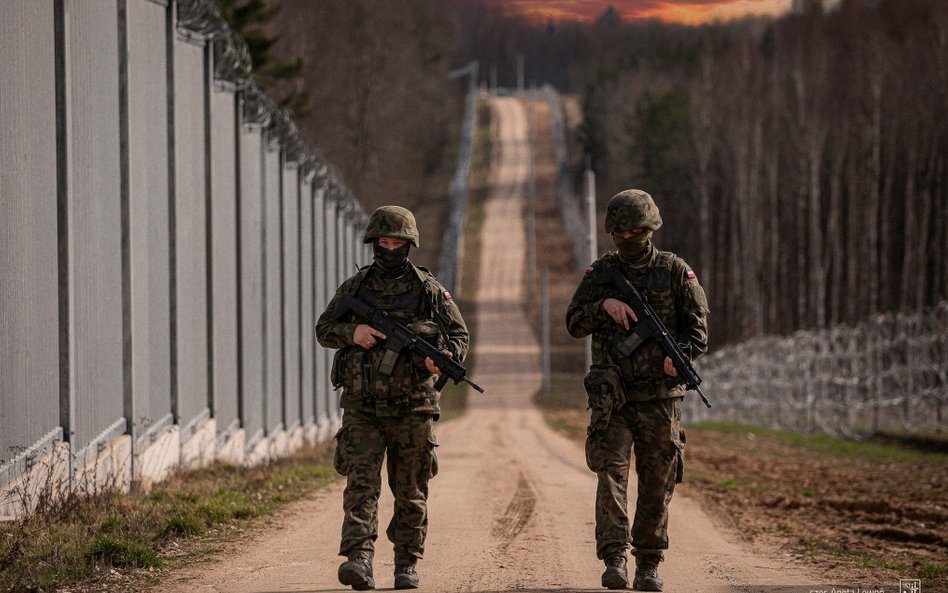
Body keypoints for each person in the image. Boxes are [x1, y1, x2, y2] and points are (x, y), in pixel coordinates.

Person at [316, 205, 470, 591]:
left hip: (414, 406)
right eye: (383, 241)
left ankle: (406, 562)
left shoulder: (428, 289)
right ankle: (358, 559)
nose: (389, 248)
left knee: (411, 487)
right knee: (361, 484)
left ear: (409, 244)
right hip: (363, 406)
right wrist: (354, 334)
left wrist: (445, 357)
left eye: (397, 242)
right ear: (373, 242)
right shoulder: (356, 287)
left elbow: (459, 336)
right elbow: (324, 328)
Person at [566, 189, 709, 591]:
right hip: (614, 398)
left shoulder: (676, 271)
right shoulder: (601, 274)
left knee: (657, 481)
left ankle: (648, 563)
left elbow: (698, 331)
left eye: (638, 230)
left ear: (651, 228)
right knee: (611, 475)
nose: (630, 237)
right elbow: (574, 322)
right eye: (623, 231)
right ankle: (614, 558)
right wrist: (603, 307)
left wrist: (679, 357)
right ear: (613, 232)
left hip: (661, 398)